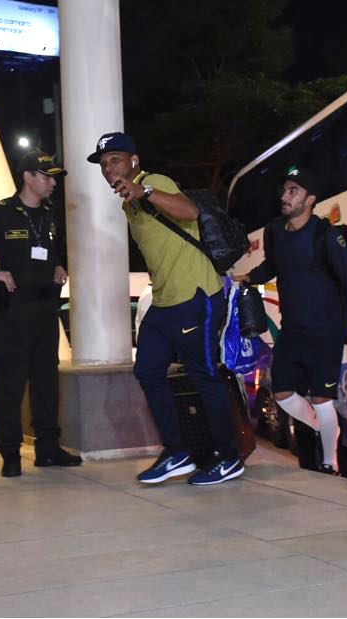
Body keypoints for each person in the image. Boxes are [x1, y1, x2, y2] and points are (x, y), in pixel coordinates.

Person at [91, 131, 242, 486]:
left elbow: (189, 210)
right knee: (147, 370)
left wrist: (143, 190)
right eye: (103, 163)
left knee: (204, 375)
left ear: (134, 161)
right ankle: (178, 452)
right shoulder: (126, 202)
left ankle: (228, 456)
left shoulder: (151, 182)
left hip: (195, 296)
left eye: (114, 159)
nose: (108, 167)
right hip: (163, 302)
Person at [233, 167, 347, 475]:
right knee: (281, 392)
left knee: (323, 398)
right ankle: (326, 429)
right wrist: (248, 276)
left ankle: (329, 461)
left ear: (310, 200)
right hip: (293, 330)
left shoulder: (329, 236)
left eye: (293, 191)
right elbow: (272, 265)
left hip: (327, 332)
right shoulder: (274, 231)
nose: (284, 196)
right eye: (284, 190)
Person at [0, 151, 80, 477]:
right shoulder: (0, 213)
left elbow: (49, 248)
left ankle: (48, 448)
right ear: (28, 177)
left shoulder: (50, 214)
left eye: (55, 177)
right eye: (47, 176)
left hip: (44, 307)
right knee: (11, 382)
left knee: (46, 379)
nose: (53, 183)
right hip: (11, 310)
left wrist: (56, 264)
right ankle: (10, 452)